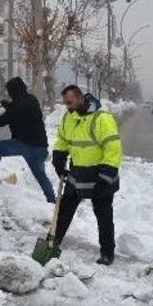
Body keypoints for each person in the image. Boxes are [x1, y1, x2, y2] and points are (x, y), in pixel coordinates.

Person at [51, 85, 123, 266]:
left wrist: (106, 175)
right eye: (65, 103)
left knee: (103, 214)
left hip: (100, 174)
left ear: (80, 98)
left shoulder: (101, 118)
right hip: (77, 174)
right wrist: (59, 156)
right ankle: (52, 243)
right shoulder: (69, 117)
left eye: (70, 102)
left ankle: (107, 252)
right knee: (65, 208)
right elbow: (63, 139)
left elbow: (113, 148)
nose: (67, 106)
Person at [0, 77, 56, 204]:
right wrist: (8, 105)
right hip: (40, 148)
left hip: (25, 144)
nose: (9, 93)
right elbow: (21, 111)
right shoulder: (32, 99)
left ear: (13, 90)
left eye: (9, 91)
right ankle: (52, 201)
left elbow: (0, 122)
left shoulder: (16, 107)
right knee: (41, 176)